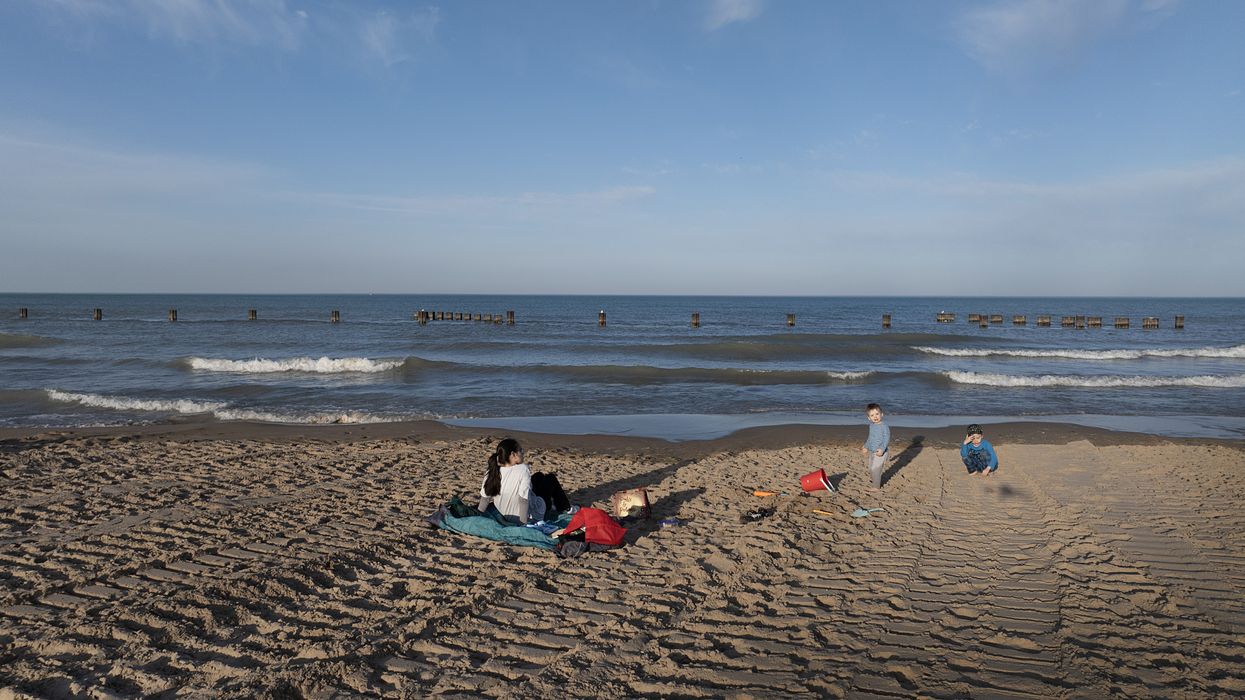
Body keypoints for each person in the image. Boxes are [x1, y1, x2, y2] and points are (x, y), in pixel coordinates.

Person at [478, 437, 543, 524]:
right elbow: (523, 499)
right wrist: (523, 524)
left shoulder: (493, 470)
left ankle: (564, 505)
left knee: (539, 476)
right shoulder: (523, 469)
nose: (522, 453)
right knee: (550, 479)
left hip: (503, 514)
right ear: (513, 454)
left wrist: (478, 516)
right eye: (520, 450)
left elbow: (485, 499)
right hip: (524, 516)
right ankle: (564, 507)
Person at [861, 403, 890, 490]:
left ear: (882, 414)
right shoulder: (872, 426)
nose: (875, 416)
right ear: (869, 418)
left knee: (875, 469)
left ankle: (876, 487)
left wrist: (882, 449)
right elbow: (870, 438)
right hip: (872, 451)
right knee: (870, 468)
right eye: (872, 415)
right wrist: (866, 446)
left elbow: (886, 438)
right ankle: (876, 481)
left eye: (877, 414)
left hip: (881, 452)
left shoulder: (884, 426)